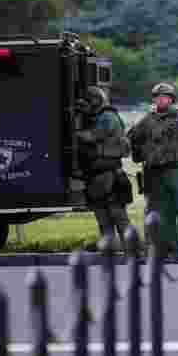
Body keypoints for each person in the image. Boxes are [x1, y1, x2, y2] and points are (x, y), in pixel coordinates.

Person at [128, 82, 178, 261]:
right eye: (157, 97)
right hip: (154, 174)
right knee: (159, 214)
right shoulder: (147, 120)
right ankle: (167, 251)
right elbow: (132, 139)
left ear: (171, 99)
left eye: (165, 97)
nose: (161, 100)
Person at [77, 86, 134, 250]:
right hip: (96, 177)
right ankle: (109, 251)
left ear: (95, 102)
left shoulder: (107, 117)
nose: (86, 107)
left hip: (110, 175)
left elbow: (93, 136)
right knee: (103, 218)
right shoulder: (98, 117)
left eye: (88, 103)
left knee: (118, 216)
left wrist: (76, 131)